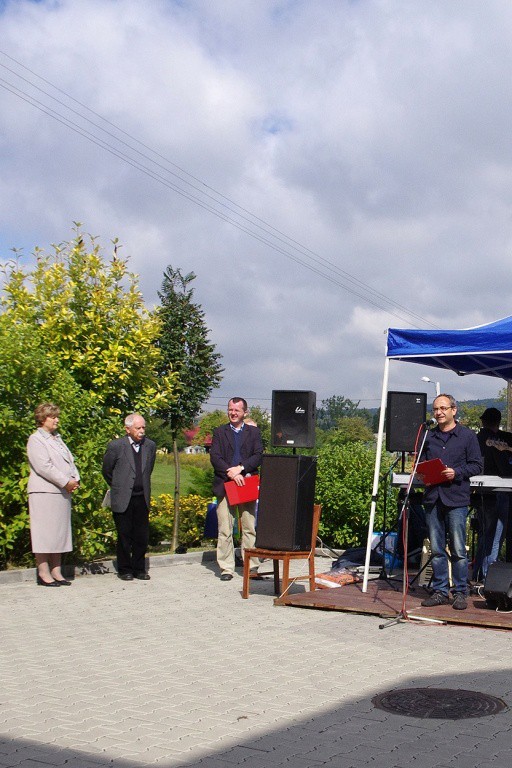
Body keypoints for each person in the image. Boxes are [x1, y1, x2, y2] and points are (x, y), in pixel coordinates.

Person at [420, 393, 483, 610]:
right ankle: (439, 590)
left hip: (456, 498)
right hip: (432, 497)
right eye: (436, 409)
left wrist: (456, 472)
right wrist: (421, 471)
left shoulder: (467, 436)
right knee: (436, 548)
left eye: (443, 408)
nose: (438, 413)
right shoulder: (428, 436)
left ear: (453, 410)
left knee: (458, 549)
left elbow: (477, 465)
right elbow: (420, 462)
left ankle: (460, 592)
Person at [27, 402, 80, 586]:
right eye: (53, 417)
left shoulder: (57, 438)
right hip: (44, 492)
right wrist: (66, 481)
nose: (57, 420)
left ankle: (57, 571)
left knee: (59, 533)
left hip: (61, 493)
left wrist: (75, 478)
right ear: (43, 419)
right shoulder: (36, 439)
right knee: (44, 533)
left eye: (57, 416)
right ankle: (43, 572)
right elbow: (44, 467)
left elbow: (69, 461)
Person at [210, 398, 263, 581]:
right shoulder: (219, 432)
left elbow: (258, 455)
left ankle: (252, 566)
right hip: (225, 484)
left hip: (246, 483)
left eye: (237, 410)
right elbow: (215, 457)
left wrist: (241, 468)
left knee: (249, 528)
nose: (233, 413)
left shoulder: (254, 432)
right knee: (225, 528)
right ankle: (226, 568)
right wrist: (231, 473)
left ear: (244, 413)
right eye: (230, 409)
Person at [102, 413, 156, 581]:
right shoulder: (116, 446)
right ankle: (125, 569)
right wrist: (120, 486)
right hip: (123, 497)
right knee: (124, 535)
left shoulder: (150, 446)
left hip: (142, 497)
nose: (142, 431)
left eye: (143, 428)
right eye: (138, 428)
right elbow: (107, 470)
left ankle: (140, 568)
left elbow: (149, 469)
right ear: (127, 429)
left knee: (141, 535)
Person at [474, 407, 512, 581]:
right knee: (495, 537)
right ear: (498, 422)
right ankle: (488, 579)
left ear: (483, 421)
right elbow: (504, 469)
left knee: (484, 535)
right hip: (498, 492)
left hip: (480, 492)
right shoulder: (495, 441)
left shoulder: (476, 439)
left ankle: (477, 574)